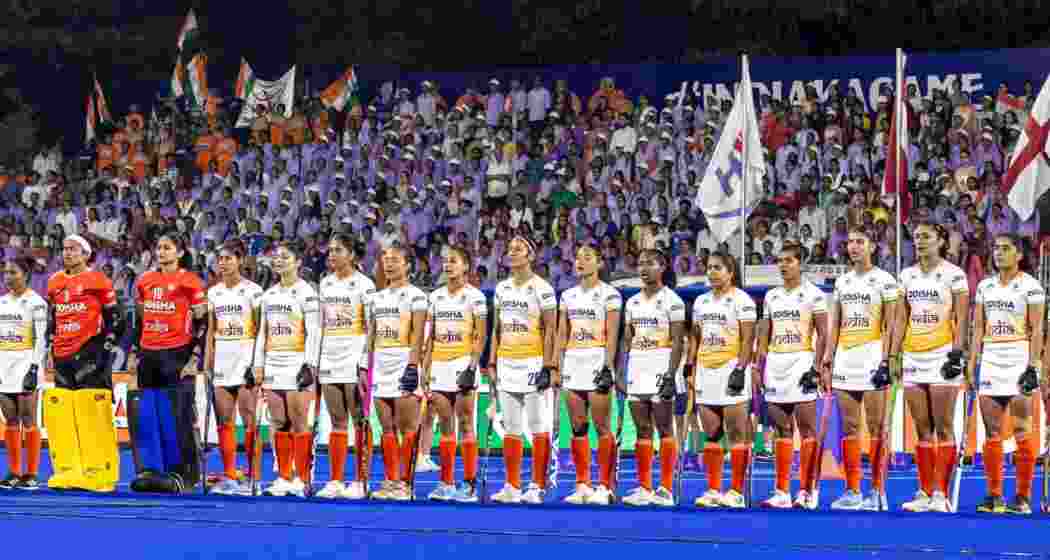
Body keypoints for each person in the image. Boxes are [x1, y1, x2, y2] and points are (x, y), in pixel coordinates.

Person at [893, 222, 969, 513]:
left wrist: (957, 353)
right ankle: (925, 492)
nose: (920, 241)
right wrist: (894, 355)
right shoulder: (907, 275)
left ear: (941, 241)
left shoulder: (955, 275)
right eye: (917, 237)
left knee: (944, 426)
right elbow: (901, 319)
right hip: (913, 355)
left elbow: (962, 317)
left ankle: (941, 493)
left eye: (926, 237)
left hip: (942, 354)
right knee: (922, 428)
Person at [821, 227, 899, 511]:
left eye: (860, 242)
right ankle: (852, 490)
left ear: (873, 246)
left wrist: (888, 360)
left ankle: (877, 491)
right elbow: (835, 324)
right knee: (850, 428)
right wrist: (828, 358)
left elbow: (892, 325)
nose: (853, 247)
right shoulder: (842, 282)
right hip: (845, 359)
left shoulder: (885, 281)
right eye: (850, 242)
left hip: (873, 357)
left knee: (877, 427)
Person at [130, 231, 208, 493]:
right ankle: (154, 471)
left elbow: (202, 324)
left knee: (179, 416)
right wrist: (135, 352)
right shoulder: (145, 281)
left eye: (167, 248)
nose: (162, 252)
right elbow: (140, 319)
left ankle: (185, 474)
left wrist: (195, 357)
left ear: (181, 252)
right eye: (159, 247)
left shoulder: (191, 282)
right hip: (149, 355)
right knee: (150, 415)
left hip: (177, 354)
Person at [44, 234, 123, 492]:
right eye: (64, 249)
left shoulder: (98, 279)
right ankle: (70, 472)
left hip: (90, 353)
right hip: (62, 354)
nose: (67, 253)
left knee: (93, 415)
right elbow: (52, 318)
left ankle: (100, 473)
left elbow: (115, 318)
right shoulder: (54, 282)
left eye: (73, 249)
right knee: (65, 416)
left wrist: (104, 349)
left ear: (86, 253)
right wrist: (50, 345)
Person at [971, 234, 1043, 514]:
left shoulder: (1031, 287)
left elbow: (1037, 329)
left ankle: (1023, 498)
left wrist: (1033, 366)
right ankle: (994, 495)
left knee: (1022, 428)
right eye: (996, 248)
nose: (999, 253)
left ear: (1019, 255)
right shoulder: (985, 286)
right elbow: (977, 328)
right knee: (991, 431)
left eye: (1005, 249)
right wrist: (971, 363)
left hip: (1018, 356)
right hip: (991, 357)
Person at [753, 243, 828, 509]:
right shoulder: (771, 296)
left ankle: (808, 490)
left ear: (800, 263)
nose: (783, 266)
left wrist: (817, 368)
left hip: (802, 361)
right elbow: (764, 332)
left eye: (789, 261)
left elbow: (824, 335)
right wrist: (757, 366)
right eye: (780, 261)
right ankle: (782, 491)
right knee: (781, 429)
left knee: (807, 430)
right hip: (775, 364)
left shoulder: (815, 295)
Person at [488, 235, 559, 504]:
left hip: (533, 362)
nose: (512, 252)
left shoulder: (542, 288)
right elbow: (497, 328)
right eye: (510, 249)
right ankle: (512, 485)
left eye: (518, 249)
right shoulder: (501, 288)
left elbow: (552, 329)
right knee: (512, 427)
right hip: (507, 363)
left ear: (530, 255)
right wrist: (492, 361)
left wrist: (549, 365)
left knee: (538, 425)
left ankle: (537, 486)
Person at [689, 251, 758, 509]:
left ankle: (736, 491)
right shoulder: (700, 302)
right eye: (709, 268)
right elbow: (696, 337)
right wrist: (691, 367)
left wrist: (741, 368)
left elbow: (748, 338)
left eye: (718, 268)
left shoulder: (743, 300)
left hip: (732, 368)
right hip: (707, 369)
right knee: (711, 432)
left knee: (736, 433)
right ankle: (713, 489)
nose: (712, 272)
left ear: (730, 272)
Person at [253, 241, 321, 498]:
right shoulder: (268, 295)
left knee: (299, 422)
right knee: (279, 421)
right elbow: (262, 332)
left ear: (298, 263)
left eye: (285, 257)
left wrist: (310, 364)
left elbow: (315, 331)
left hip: (297, 363)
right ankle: (283, 476)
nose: (278, 261)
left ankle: (303, 478)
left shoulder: (307, 293)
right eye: (276, 257)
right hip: (273, 363)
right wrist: (258, 364)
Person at [556, 243, 622, 505]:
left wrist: (608, 366)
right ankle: (582, 484)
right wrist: (557, 365)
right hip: (573, 361)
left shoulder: (610, 294)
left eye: (587, 257)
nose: (580, 261)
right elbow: (562, 333)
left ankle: (606, 486)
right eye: (578, 257)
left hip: (597, 359)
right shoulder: (567, 296)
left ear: (600, 263)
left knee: (602, 427)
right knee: (577, 426)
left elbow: (613, 334)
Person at [621, 248, 686, 507]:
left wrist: (672, 373)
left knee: (664, 428)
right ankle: (644, 487)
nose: (643, 268)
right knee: (642, 429)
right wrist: (621, 370)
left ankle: (666, 489)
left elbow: (679, 341)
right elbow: (628, 340)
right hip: (638, 368)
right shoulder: (632, 302)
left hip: (662, 368)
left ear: (662, 267)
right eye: (640, 264)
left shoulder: (673, 301)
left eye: (649, 263)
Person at [423, 245, 487, 503]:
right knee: (446, 427)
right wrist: (424, 369)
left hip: (463, 365)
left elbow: (480, 335)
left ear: (466, 267)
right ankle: (446, 483)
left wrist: (472, 367)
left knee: (465, 425)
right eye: (445, 261)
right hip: (439, 365)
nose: (448, 265)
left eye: (454, 261)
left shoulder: (476, 297)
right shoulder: (435, 297)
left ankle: (470, 484)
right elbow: (430, 338)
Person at [315, 234, 375, 500]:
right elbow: (320, 325)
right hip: (329, 357)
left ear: (351, 255)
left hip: (354, 358)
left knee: (358, 419)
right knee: (336, 422)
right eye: (330, 250)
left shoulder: (365, 285)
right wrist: (316, 360)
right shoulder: (325, 283)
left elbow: (372, 327)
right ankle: (336, 480)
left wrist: (364, 364)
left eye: (338, 250)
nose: (331, 255)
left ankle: (361, 481)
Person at [203, 239, 264, 496]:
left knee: (250, 420)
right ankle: (229, 476)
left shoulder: (254, 291)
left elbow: (262, 329)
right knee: (224, 422)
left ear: (239, 260)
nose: (224, 264)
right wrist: (207, 361)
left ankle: (254, 479)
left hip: (246, 360)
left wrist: (258, 362)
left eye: (229, 258)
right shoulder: (213, 293)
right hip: (222, 361)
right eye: (221, 259)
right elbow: (210, 330)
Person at [367, 246, 428, 501]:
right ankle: (391, 480)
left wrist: (413, 366)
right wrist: (366, 366)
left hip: (404, 364)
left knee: (407, 427)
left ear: (407, 265)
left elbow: (418, 334)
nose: (389, 264)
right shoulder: (376, 298)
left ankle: (406, 483)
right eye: (386, 260)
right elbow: (372, 335)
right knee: (387, 427)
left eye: (395, 260)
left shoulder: (416, 296)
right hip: (381, 365)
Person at [0, 257, 48, 490]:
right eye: (6, 273)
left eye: (13, 273)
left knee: (28, 419)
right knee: (10, 419)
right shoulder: (2, 302)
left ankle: (30, 473)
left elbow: (41, 340)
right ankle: (14, 471)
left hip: (27, 364)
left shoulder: (36, 302)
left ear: (25, 275)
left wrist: (34, 368)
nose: (8, 277)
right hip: (3, 366)